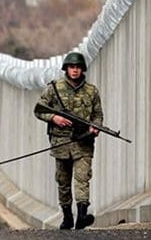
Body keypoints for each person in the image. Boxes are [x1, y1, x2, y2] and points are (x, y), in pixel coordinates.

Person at [34, 52, 103, 230]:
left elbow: (97, 114)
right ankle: (67, 217)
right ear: (66, 69)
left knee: (82, 178)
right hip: (61, 143)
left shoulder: (91, 91)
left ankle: (82, 215)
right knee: (63, 182)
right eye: (72, 67)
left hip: (83, 143)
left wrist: (95, 127)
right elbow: (39, 110)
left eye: (78, 67)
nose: (75, 70)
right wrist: (54, 118)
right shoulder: (54, 88)